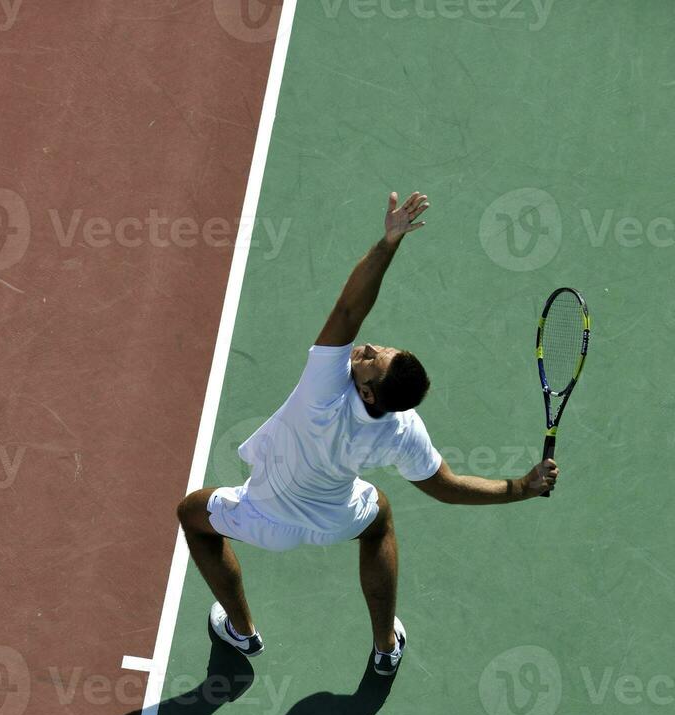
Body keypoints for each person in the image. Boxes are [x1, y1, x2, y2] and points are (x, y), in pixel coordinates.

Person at [176, 191, 558, 674]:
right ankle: (385, 646)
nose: (368, 346)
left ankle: (241, 630)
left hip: (265, 516)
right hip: (337, 518)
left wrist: (390, 241)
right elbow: (447, 488)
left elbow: (348, 311)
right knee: (378, 519)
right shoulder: (402, 428)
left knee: (192, 513)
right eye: (381, 347)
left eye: (372, 358)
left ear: (371, 392)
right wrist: (521, 488)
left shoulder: (325, 390)